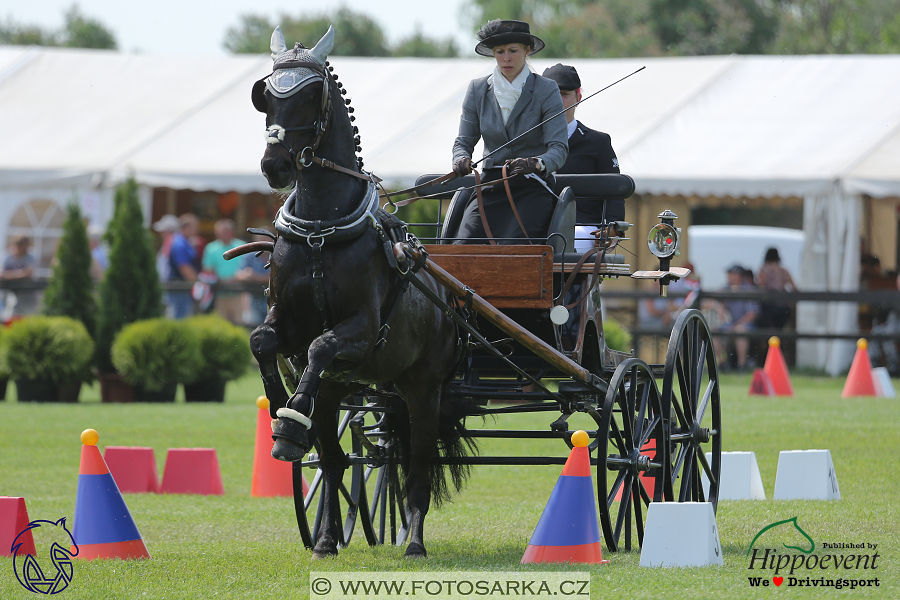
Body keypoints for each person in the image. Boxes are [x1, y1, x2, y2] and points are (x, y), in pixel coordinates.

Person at [451, 19, 568, 244]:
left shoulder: (546, 89)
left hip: (532, 186)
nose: (506, 58)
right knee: (463, 247)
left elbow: (559, 149)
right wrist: (460, 158)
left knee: (513, 248)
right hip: (490, 186)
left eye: (513, 51)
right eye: (500, 51)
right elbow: (463, 142)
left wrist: (536, 163)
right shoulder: (477, 90)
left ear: (527, 51)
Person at [541, 63, 622, 251]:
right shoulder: (526, 142)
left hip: (582, 228)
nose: (557, 102)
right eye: (551, 95)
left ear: (578, 97)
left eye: (564, 95)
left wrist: (612, 227)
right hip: (534, 224)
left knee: (571, 239)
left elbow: (615, 192)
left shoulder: (598, 142)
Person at [711, 264, 760, 371]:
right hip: (731, 323)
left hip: (747, 324)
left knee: (740, 330)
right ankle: (721, 364)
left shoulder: (748, 289)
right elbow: (711, 301)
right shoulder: (726, 288)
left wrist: (735, 325)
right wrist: (719, 307)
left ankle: (741, 365)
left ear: (738, 275)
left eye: (731, 274)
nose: (728, 276)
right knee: (714, 331)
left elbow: (752, 315)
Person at [201, 219, 246, 324]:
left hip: (239, 293)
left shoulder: (242, 246)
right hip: (219, 293)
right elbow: (207, 270)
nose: (223, 234)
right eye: (220, 232)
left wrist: (236, 278)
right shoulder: (211, 248)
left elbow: (247, 268)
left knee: (240, 324)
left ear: (232, 232)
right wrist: (220, 280)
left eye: (225, 232)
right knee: (221, 324)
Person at [166, 214, 200, 319]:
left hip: (184, 287)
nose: (196, 230)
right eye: (194, 227)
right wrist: (198, 282)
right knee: (179, 319)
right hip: (179, 287)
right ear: (186, 227)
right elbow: (183, 266)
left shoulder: (185, 242)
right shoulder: (179, 243)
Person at [757, 247, 797, 330]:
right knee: (780, 328)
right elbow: (794, 287)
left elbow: (761, 285)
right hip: (783, 304)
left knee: (769, 328)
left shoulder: (763, 269)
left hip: (768, 304)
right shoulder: (783, 270)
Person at [1, 236, 39, 315]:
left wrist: (10, 275)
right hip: (9, 293)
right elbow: (1, 274)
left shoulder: (31, 255)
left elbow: (28, 273)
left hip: (27, 294)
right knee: (9, 316)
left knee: (28, 315)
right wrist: (19, 274)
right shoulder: (7, 255)